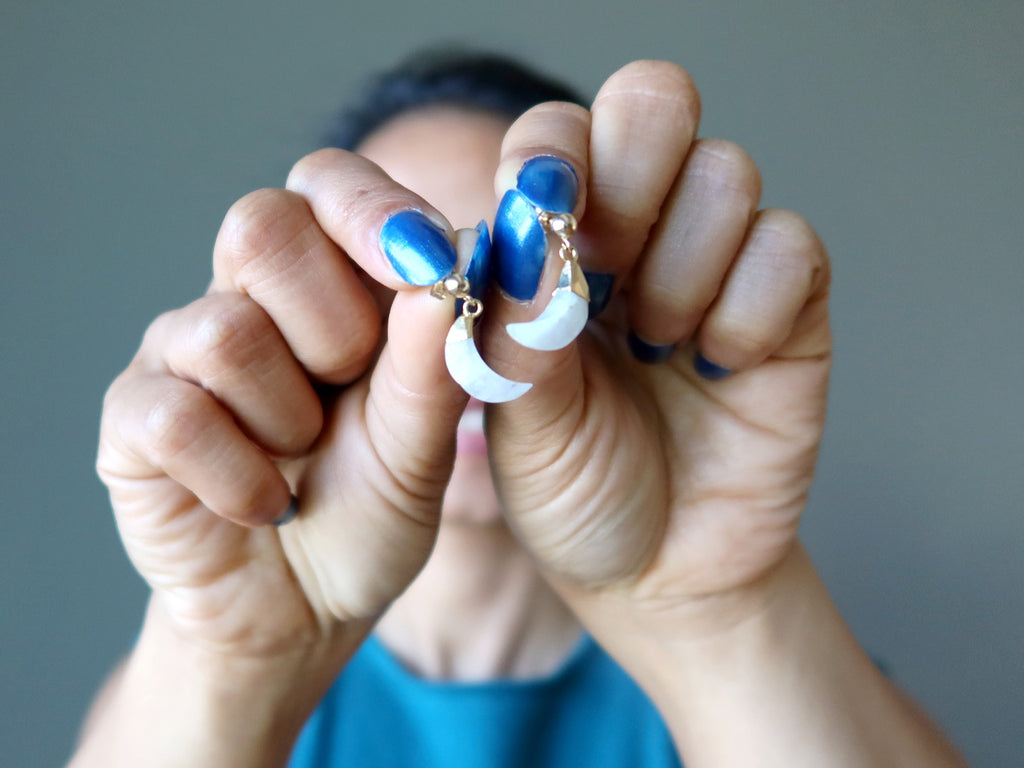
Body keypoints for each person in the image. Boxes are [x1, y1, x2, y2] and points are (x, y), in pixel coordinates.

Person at [69, 50, 967, 767]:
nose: (474, 328)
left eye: (514, 265)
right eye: (407, 285)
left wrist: (719, 613)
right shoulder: (188, 693)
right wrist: (235, 659)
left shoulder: (780, 681)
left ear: (607, 289)